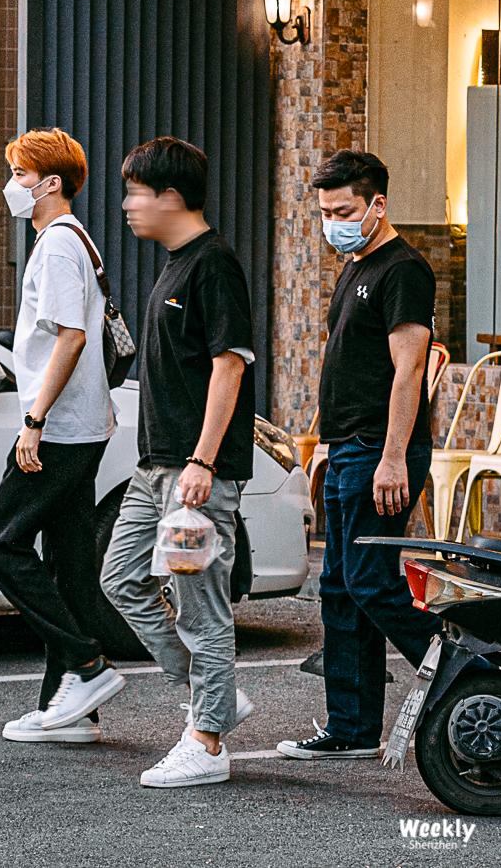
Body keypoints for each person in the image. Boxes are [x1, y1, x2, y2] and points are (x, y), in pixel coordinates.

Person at [99, 137, 257, 788]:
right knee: (120, 579)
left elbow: (230, 367)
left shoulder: (212, 265)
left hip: (196, 472)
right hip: (155, 466)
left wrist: (202, 461)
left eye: (136, 192)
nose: (129, 205)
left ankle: (210, 743)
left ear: (170, 196)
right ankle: (207, 695)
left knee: (200, 606)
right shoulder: (172, 264)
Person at [277, 150, 439, 761]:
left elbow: (410, 369)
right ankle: (350, 727)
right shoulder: (355, 266)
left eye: (342, 210)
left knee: (370, 580)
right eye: (323, 211)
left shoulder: (404, 271)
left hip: (379, 450)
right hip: (348, 448)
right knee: (340, 587)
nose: (332, 222)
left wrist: (393, 457)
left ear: (377, 205)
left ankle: (465, 666)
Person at [0, 128, 126, 744]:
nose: (10, 185)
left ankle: (87, 665)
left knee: (1, 543)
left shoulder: (60, 246)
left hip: (61, 428)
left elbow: (71, 337)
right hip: (78, 425)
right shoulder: (66, 242)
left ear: (50, 183)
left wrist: (34, 421)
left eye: (18, 173)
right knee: (68, 562)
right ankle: (71, 711)